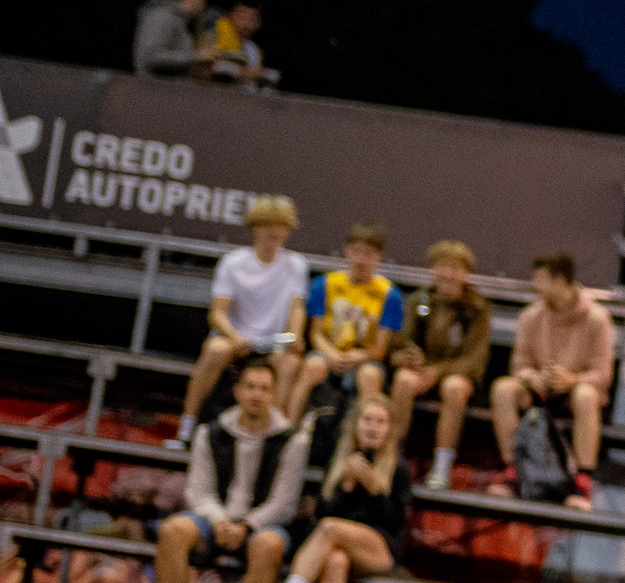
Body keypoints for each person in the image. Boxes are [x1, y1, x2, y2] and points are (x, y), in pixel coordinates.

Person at [148, 357, 309, 583]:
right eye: (250, 387)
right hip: (215, 521)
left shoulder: (292, 441)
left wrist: (246, 526)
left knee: (269, 544)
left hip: (261, 526)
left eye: (264, 388)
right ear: (238, 391)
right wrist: (220, 521)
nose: (256, 395)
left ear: (274, 394)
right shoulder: (210, 433)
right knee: (173, 530)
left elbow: (283, 504)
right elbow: (199, 491)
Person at [240, 395, 410, 583]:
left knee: (330, 529)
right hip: (340, 544)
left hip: (380, 546)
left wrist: (374, 488)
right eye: (367, 420)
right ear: (355, 425)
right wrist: (347, 485)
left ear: (389, 430)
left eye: (380, 422)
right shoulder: (340, 460)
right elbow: (323, 510)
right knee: (335, 561)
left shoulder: (398, 468)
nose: (373, 427)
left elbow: (395, 522)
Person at [167, 196, 308, 451]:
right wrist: (235, 337)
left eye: (283, 226)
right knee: (215, 349)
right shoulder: (232, 262)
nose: (277, 233)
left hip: (274, 342)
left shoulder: (297, 265)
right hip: (236, 338)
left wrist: (294, 336)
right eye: (270, 226)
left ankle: (272, 435)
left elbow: (296, 308)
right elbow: (217, 314)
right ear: (255, 228)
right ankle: (187, 427)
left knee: (290, 363)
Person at [490, 251, 615, 509]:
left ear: (559, 280)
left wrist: (571, 380)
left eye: (540, 279)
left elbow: (602, 374)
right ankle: (513, 471)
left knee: (586, 395)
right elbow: (519, 365)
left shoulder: (597, 318)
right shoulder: (530, 316)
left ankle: (582, 482)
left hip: (575, 391)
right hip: (538, 390)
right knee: (503, 389)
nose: (535, 285)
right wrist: (534, 378)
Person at [387, 240, 493, 488]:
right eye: (443, 266)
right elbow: (398, 345)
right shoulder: (419, 301)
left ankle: (442, 465)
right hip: (422, 371)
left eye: (455, 268)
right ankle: (393, 456)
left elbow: (475, 360)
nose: (448, 274)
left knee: (454, 388)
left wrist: (438, 371)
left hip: (458, 374)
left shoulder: (477, 309)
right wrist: (408, 357)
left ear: (465, 273)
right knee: (403, 380)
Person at [287, 224, 402, 421]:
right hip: (328, 352)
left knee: (369, 376)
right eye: (357, 252)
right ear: (347, 251)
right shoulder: (324, 284)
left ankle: (367, 432)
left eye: (368, 254)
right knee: (312, 366)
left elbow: (380, 348)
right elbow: (316, 333)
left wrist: (359, 356)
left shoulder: (390, 294)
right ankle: (289, 426)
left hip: (364, 358)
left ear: (378, 257)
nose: (361, 259)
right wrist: (333, 355)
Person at [133, 0, 206, 77]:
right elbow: (152, 57)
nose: (203, 4)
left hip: (166, 86)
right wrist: (197, 56)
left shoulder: (179, 20)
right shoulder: (162, 16)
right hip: (153, 86)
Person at [203, 0, 277, 88]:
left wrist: (261, 74)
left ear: (258, 23)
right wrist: (239, 72)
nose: (247, 23)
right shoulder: (215, 35)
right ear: (231, 16)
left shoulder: (254, 49)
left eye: (252, 19)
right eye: (242, 17)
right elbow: (210, 67)